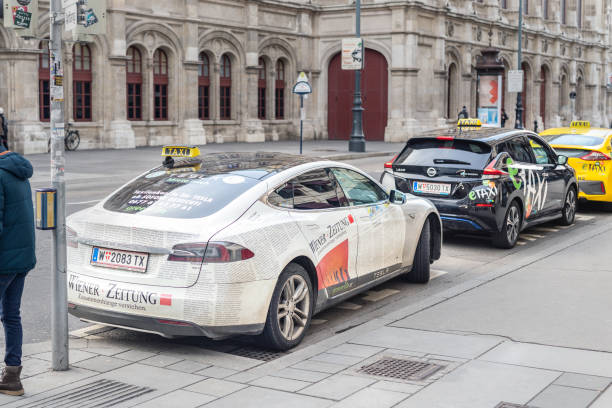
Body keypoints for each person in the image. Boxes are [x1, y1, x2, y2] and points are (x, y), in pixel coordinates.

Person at [0, 144, 35, 396]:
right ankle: (12, 377)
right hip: (20, 258)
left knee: (11, 315)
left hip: (4, 260)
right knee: (12, 315)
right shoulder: (16, 168)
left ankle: (12, 378)